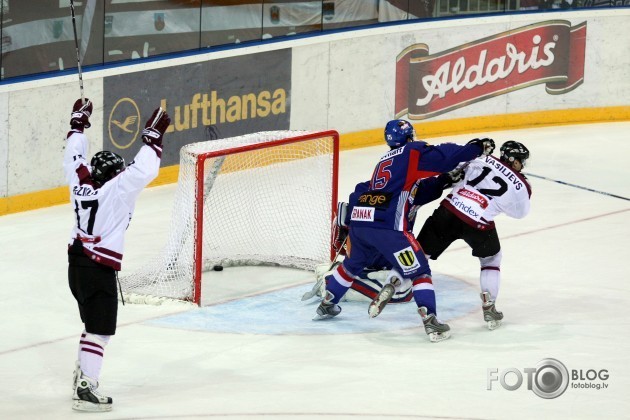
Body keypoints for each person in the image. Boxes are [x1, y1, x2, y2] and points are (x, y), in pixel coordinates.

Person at [313, 119, 495, 343]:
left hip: (361, 226)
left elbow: (416, 191)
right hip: (389, 231)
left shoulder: (384, 162)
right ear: (410, 137)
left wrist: (445, 180)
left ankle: (328, 302)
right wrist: (476, 147)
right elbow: (445, 156)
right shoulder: (410, 152)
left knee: (351, 265)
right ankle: (431, 321)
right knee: (419, 272)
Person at [64, 98, 170, 412]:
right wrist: (153, 140)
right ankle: (86, 388)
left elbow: (73, 154)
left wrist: (78, 124)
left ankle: (82, 375)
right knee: (100, 331)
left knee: (92, 325)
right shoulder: (117, 190)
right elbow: (143, 171)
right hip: (98, 270)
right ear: (113, 175)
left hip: (77, 266)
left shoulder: (79, 182)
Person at [415, 140, 532, 330]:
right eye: (521, 160)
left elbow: (455, 167)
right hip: (478, 224)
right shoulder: (520, 184)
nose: (522, 165)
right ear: (513, 160)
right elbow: (520, 213)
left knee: (418, 258)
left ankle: (393, 284)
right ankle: (489, 304)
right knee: (491, 259)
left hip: (448, 212)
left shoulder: (480, 158)